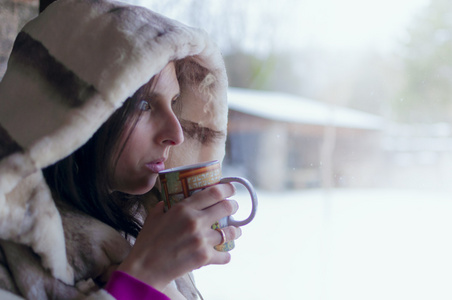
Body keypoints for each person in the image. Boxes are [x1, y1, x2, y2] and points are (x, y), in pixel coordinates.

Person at [0, 0, 241, 298]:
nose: (176, 134)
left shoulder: (146, 224)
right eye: (143, 105)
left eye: (175, 103)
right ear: (71, 113)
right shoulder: (9, 256)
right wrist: (142, 277)